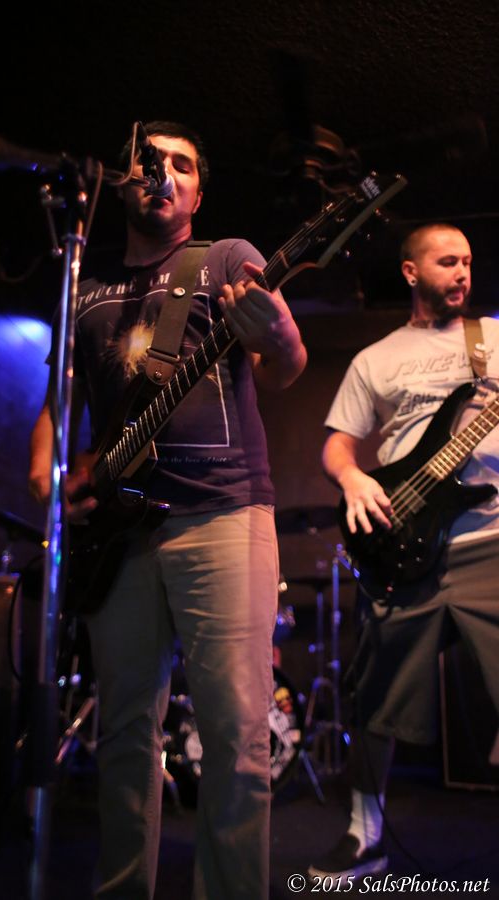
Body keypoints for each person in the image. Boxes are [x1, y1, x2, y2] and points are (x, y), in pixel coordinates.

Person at [28, 120, 307, 900]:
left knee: (238, 736)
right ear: (123, 179)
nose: (164, 174)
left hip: (222, 512)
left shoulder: (224, 258)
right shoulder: (84, 286)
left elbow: (283, 366)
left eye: (182, 164)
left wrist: (282, 335)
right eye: (150, 162)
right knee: (123, 734)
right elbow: (56, 402)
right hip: (118, 533)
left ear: (199, 191)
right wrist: (49, 476)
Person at [308, 223, 499, 884]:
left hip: (489, 540)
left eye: (467, 261)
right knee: (376, 696)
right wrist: (353, 478)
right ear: (412, 271)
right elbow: (338, 444)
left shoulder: (492, 340)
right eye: (447, 261)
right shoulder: (376, 359)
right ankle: (365, 837)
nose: (462, 272)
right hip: (404, 543)